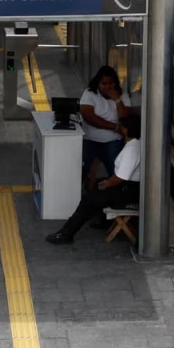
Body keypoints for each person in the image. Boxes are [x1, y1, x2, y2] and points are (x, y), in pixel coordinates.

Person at [46, 114, 141, 244]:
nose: (120, 128)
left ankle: (66, 234)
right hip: (129, 187)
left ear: (127, 129)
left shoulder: (132, 150)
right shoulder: (135, 144)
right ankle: (103, 221)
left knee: (89, 198)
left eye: (122, 126)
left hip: (127, 192)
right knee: (96, 187)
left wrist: (107, 184)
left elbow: (120, 177)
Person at [78, 65, 132, 189]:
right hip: (90, 140)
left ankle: (116, 193)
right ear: (98, 83)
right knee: (81, 168)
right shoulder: (89, 93)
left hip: (113, 141)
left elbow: (125, 117)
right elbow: (89, 117)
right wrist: (115, 127)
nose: (107, 87)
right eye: (104, 83)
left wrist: (117, 100)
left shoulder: (122, 95)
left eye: (111, 83)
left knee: (116, 170)